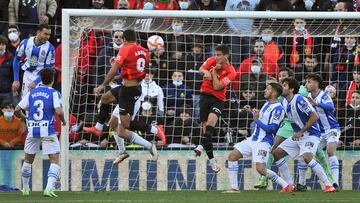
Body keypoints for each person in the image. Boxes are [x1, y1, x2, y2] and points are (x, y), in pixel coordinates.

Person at [92, 29, 163, 160]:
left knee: (123, 128)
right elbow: (138, 70)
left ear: (124, 39)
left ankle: (154, 131)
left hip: (130, 92)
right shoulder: (145, 51)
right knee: (105, 100)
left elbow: (113, 70)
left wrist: (102, 84)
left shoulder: (125, 49)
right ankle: (116, 145)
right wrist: (120, 77)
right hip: (127, 87)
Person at [225, 83, 294, 193]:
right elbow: (263, 118)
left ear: (275, 93)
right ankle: (234, 188)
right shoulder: (266, 104)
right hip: (254, 139)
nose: (265, 91)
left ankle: (286, 185)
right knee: (232, 156)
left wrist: (256, 119)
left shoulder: (278, 109)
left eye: (268, 89)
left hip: (264, 142)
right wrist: (253, 111)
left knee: (261, 169)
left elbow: (272, 128)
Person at [272, 78, 336, 193]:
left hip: (311, 134)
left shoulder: (299, 99)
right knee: (276, 153)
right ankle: (290, 185)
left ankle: (328, 185)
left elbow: (314, 116)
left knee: (307, 157)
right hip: (299, 136)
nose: (282, 87)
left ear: (292, 89)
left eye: (285, 85)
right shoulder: (284, 102)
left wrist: (301, 131)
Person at [15, 68, 66, 197]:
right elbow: (59, 111)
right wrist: (64, 121)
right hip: (47, 131)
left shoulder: (32, 93)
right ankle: (48, 189)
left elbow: (16, 109)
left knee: (28, 160)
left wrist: (25, 117)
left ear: (41, 79)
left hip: (32, 130)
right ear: (53, 80)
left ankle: (25, 188)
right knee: (54, 160)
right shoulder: (54, 93)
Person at [194, 45, 236, 173]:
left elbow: (217, 86)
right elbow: (201, 69)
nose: (216, 57)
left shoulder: (231, 72)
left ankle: (200, 146)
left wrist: (213, 72)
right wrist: (206, 71)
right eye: (216, 54)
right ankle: (213, 162)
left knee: (211, 124)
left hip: (218, 99)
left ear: (226, 56)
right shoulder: (212, 60)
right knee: (207, 132)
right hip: (204, 96)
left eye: (219, 55)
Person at [304, 74, 340, 189]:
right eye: (306, 82)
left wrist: (316, 104)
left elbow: (331, 107)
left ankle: (335, 182)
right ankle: (302, 183)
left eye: (309, 82)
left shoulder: (323, 96)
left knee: (330, 151)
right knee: (307, 153)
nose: (306, 84)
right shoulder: (307, 96)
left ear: (316, 83)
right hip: (318, 133)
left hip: (331, 128)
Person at [12, 24, 55, 99]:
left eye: (49, 35)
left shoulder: (50, 49)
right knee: (25, 102)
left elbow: (47, 69)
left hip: (41, 77)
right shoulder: (25, 43)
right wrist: (16, 79)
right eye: (45, 34)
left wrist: (35, 82)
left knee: (37, 101)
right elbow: (16, 59)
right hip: (27, 74)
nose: (48, 37)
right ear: (38, 32)